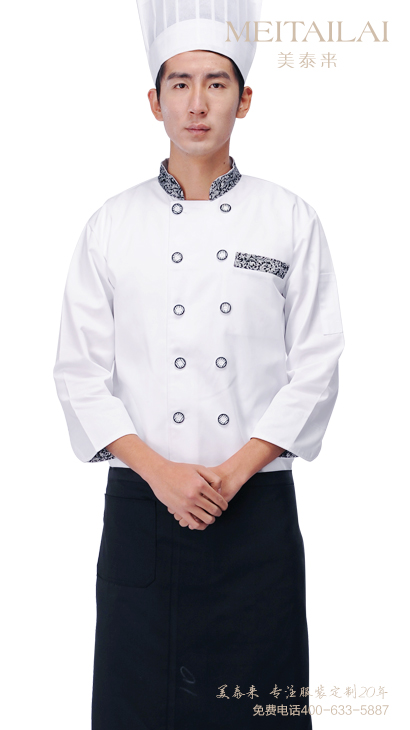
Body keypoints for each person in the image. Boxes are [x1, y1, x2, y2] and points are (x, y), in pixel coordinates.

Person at [52, 1, 344, 727]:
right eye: (179, 83)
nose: (197, 102)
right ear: (154, 102)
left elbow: (317, 367)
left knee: (263, 715)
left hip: (257, 517)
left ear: (244, 100)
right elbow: (78, 374)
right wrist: (163, 475)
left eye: (216, 83)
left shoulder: (289, 218)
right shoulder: (111, 224)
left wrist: (231, 474)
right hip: (142, 512)